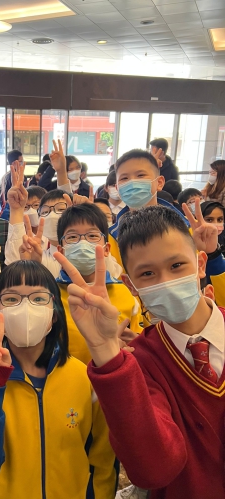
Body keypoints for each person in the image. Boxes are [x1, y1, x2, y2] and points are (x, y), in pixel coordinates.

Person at [59, 205, 225, 498]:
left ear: (201, 264)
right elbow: (154, 468)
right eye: (147, 273)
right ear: (131, 285)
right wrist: (106, 352)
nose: (166, 281)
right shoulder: (141, 360)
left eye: (177, 266)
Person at [0, 260, 118, 498]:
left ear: (55, 313)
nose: (25, 307)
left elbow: (103, 460)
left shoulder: (82, 377)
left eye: (39, 298)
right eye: (11, 299)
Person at [55, 204, 141, 365]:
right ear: (61, 250)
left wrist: (134, 345)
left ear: (107, 249)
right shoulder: (49, 294)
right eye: (72, 237)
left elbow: (137, 341)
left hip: (115, 374)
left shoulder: (125, 292)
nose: (82, 243)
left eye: (92, 236)